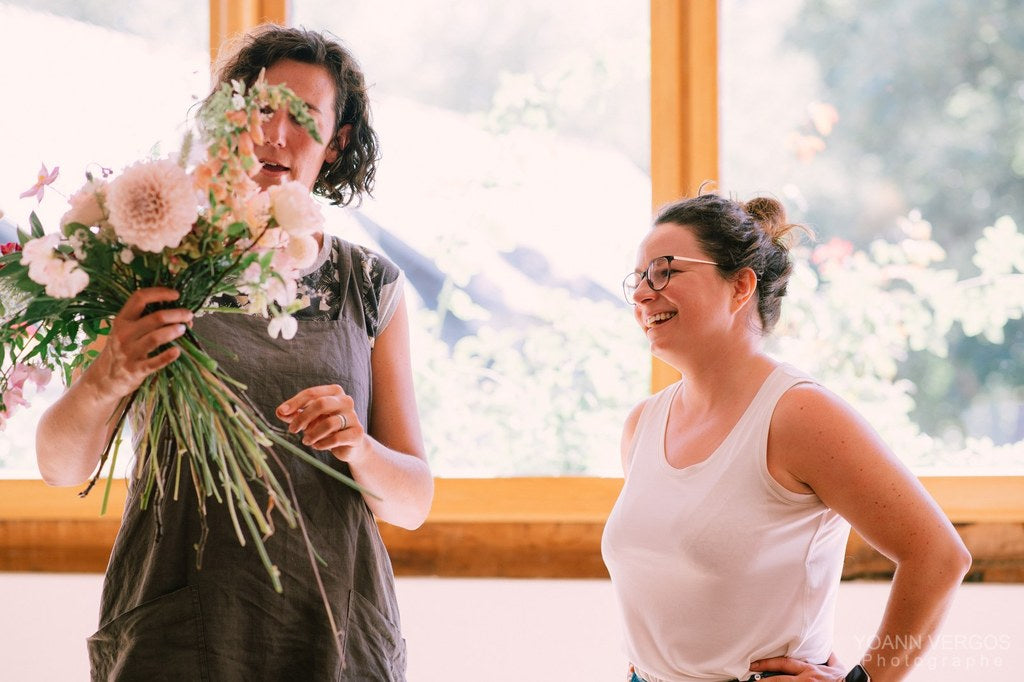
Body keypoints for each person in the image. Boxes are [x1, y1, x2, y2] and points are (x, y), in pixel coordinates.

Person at [36, 25, 432, 681]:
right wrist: (108, 376)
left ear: (336, 144)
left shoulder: (369, 286)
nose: (276, 133)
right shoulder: (151, 263)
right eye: (261, 108)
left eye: (304, 118)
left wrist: (358, 447)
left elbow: (412, 504)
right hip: (173, 633)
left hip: (334, 635)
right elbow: (60, 465)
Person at [601, 192, 971, 682]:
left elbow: (939, 556)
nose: (643, 293)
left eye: (665, 270)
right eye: (640, 278)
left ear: (740, 287)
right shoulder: (642, 425)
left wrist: (865, 681)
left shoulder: (798, 414)